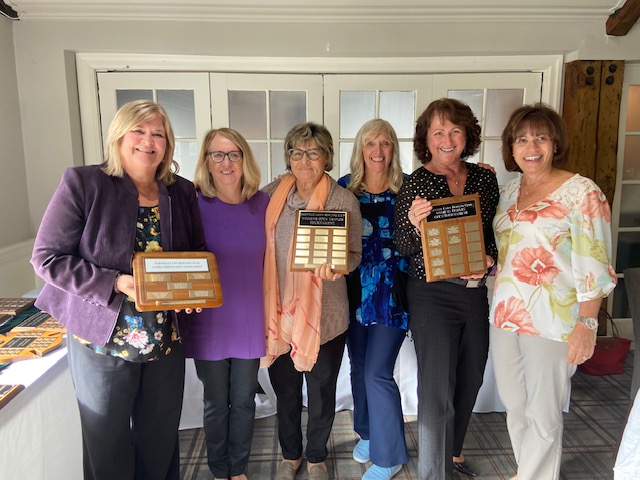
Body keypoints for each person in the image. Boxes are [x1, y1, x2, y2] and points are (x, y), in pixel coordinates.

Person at [30, 99, 205, 480]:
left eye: (158, 133)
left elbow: (195, 253)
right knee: (106, 445)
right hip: (101, 338)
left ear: (168, 143)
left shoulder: (181, 192)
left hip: (164, 337)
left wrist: (193, 292)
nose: (148, 140)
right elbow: (46, 258)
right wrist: (114, 282)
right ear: (118, 137)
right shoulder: (84, 183)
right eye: (138, 131)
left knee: (159, 441)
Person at [490, 103, 617, 480]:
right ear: (511, 148)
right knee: (514, 404)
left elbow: (595, 265)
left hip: (555, 318)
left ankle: (536, 477)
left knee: (543, 410)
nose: (532, 147)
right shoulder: (509, 191)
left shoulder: (582, 193)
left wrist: (587, 324)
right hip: (505, 313)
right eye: (522, 139)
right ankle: (526, 470)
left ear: (555, 143)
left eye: (541, 138)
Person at [394, 98, 499, 480]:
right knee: (437, 388)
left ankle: (450, 454)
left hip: (474, 292)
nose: (447, 138)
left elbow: (492, 234)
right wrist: (411, 220)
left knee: (471, 376)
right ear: (426, 137)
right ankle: (433, 474)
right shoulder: (415, 182)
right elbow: (403, 246)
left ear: (467, 134)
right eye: (438, 131)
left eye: (455, 129)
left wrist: (490, 256)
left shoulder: (485, 179)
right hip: (432, 294)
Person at [261, 122, 362, 480]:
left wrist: (339, 266)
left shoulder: (342, 199)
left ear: (327, 158)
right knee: (285, 391)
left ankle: (317, 456)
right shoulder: (270, 194)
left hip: (325, 315)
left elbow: (353, 254)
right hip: (277, 315)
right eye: (296, 152)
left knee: (321, 392)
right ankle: (290, 454)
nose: (304, 159)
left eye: (313, 152)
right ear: (288, 157)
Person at [186, 128, 269, 480]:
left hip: (251, 318)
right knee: (216, 403)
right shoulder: (192, 205)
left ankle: (239, 469)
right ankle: (220, 470)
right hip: (209, 321)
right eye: (217, 154)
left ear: (245, 159)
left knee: (245, 401)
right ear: (206, 161)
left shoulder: (264, 204)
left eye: (234, 154)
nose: (226, 162)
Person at [337, 119, 409, 480]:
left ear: (393, 148)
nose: (377, 151)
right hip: (351, 291)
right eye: (370, 143)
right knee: (358, 365)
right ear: (360, 149)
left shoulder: (408, 188)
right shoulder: (344, 188)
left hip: (392, 294)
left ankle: (390, 454)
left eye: (384, 143)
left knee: (377, 372)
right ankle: (367, 431)